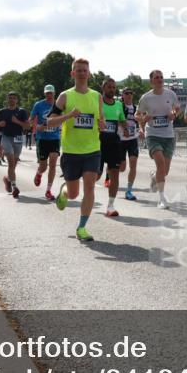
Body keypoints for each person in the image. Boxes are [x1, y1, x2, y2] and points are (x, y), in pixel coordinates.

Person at [46, 58, 105, 242]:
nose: (81, 73)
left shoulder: (97, 96)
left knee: (89, 185)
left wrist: (102, 124)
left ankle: (82, 227)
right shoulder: (65, 96)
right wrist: (69, 115)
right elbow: (49, 121)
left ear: (89, 73)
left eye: (84, 70)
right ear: (72, 73)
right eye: (78, 70)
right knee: (73, 194)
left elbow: (100, 120)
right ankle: (65, 191)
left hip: (92, 149)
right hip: (71, 151)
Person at [137, 70, 180, 209]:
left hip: (168, 135)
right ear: (151, 81)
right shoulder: (146, 98)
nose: (160, 79)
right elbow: (137, 115)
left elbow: (177, 108)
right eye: (157, 78)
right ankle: (162, 199)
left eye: (161, 77)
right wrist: (143, 119)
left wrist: (173, 114)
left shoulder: (170, 94)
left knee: (164, 171)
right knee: (161, 164)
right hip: (153, 135)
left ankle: (155, 176)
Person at [99, 78, 127, 216]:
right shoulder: (97, 103)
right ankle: (88, 196)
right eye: (109, 87)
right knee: (96, 175)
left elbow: (121, 120)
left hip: (114, 143)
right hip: (98, 143)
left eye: (113, 87)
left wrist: (126, 128)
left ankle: (110, 206)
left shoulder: (118, 104)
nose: (111, 89)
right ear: (103, 88)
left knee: (115, 174)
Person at [31, 84, 61, 201]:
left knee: (53, 162)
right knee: (43, 167)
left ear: (54, 93)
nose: (49, 95)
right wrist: (37, 127)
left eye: (51, 93)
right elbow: (31, 119)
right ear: (44, 93)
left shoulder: (59, 104)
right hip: (42, 139)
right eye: (47, 93)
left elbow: (63, 117)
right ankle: (39, 173)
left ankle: (48, 190)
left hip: (55, 138)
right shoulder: (38, 105)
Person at [0, 92, 29, 198]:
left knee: (14, 164)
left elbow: (27, 126)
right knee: (10, 162)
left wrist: (17, 121)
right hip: (6, 138)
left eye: (14, 98)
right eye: (10, 98)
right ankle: (14, 187)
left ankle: (7, 179)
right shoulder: (2, 112)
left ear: (17, 100)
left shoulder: (22, 111)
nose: (12, 100)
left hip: (18, 138)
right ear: (7, 99)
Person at [119, 87, 142, 201]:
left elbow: (140, 120)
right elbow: (116, 119)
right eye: (126, 93)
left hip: (132, 139)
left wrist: (142, 130)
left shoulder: (136, 108)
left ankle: (128, 191)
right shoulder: (119, 106)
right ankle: (110, 172)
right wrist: (124, 128)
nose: (129, 95)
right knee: (122, 168)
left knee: (133, 164)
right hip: (121, 140)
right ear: (122, 95)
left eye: (130, 93)